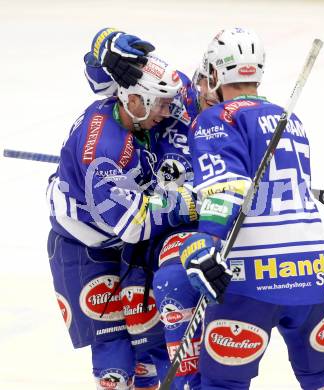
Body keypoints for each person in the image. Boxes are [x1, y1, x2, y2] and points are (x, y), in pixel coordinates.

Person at [179, 28, 324, 390]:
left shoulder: (216, 119)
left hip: (251, 278)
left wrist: (205, 241)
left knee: (222, 383)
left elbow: (227, 188)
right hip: (316, 274)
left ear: (215, 74)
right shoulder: (292, 120)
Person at [46, 29, 197, 390]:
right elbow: (133, 224)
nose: (166, 111)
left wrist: (107, 43)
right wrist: (186, 204)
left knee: (151, 343)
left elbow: (97, 66)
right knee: (114, 359)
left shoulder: (133, 98)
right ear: (134, 100)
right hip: (84, 247)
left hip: (124, 237)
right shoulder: (103, 151)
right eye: (159, 104)